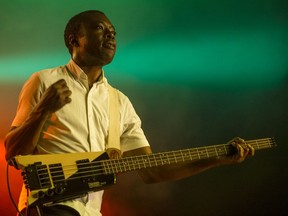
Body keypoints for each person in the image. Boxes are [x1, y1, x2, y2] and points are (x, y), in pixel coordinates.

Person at [4, 10, 254, 216]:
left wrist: (219, 158)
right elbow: (14, 152)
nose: (111, 33)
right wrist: (43, 110)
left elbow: (152, 170)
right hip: (48, 208)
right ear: (74, 39)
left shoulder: (119, 102)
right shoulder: (44, 81)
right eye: (100, 28)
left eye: (113, 31)